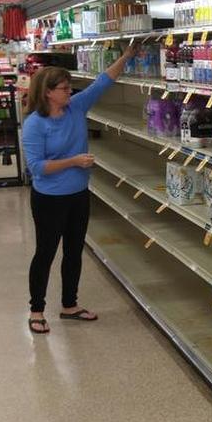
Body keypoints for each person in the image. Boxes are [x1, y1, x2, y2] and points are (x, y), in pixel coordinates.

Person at [21, 45, 136, 334]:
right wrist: (73, 161)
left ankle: (69, 305)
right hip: (49, 199)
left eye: (70, 87)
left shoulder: (76, 107)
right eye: (64, 88)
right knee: (46, 252)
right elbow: (36, 167)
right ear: (48, 92)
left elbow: (102, 82)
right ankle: (36, 310)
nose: (69, 92)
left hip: (78, 194)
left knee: (74, 251)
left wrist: (127, 56)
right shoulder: (35, 124)